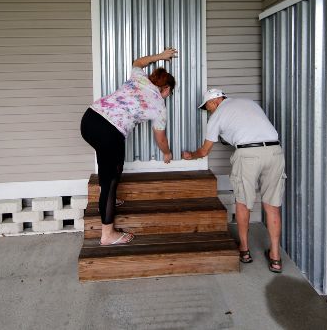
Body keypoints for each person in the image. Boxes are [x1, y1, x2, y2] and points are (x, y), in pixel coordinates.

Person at [80, 47, 178, 246]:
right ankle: (107, 235)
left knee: (114, 165)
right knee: (111, 179)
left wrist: (160, 56)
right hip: (110, 130)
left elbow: (138, 62)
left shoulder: (139, 78)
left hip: (90, 119)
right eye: (170, 92)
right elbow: (161, 138)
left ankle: (107, 195)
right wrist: (167, 153)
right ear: (166, 89)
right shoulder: (159, 105)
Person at [182, 88, 286, 273]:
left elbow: (205, 151)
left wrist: (192, 155)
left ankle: (244, 250)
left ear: (214, 102)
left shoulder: (217, 116)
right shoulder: (249, 102)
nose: (209, 111)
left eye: (207, 107)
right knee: (272, 205)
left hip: (247, 155)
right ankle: (276, 257)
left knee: (243, 203)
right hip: (275, 152)